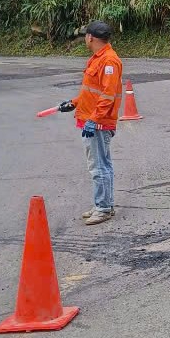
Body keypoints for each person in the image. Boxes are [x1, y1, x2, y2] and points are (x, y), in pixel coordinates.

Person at [56, 21, 123, 226]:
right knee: (103, 165)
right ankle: (104, 204)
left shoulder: (109, 62)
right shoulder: (97, 59)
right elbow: (90, 92)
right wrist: (74, 103)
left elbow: (107, 96)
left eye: (85, 35)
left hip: (98, 124)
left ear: (90, 37)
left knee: (98, 167)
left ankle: (103, 208)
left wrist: (93, 120)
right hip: (91, 120)